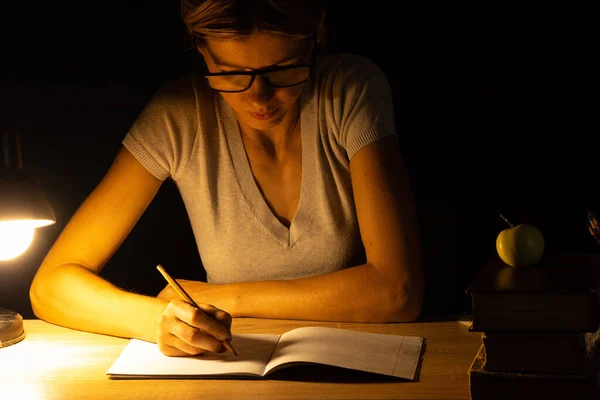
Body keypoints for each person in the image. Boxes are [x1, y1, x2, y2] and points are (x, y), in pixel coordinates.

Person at [29, 0, 424, 357]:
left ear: (314, 40)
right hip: (230, 373)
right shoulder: (179, 116)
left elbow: (397, 291)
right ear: (202, 51)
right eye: (232, 73)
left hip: (356, 365)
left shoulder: (349, 90)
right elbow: (51, 286)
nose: (259, 97)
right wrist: (160, 321)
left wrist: (221, 296)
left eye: (281, 70)